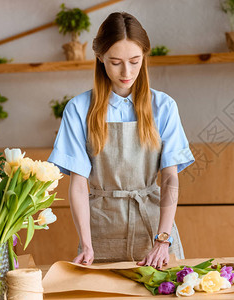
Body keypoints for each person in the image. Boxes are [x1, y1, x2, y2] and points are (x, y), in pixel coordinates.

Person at [48, 12, 194, 269]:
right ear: (100, 57)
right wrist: (87, 242)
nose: (127, 72)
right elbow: (79, 185)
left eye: (135, 61)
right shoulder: (79, 109)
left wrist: (162, 240)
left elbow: (170, 178)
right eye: (116, 62)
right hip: (100, 232)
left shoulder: (163, 107)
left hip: (155, 232)